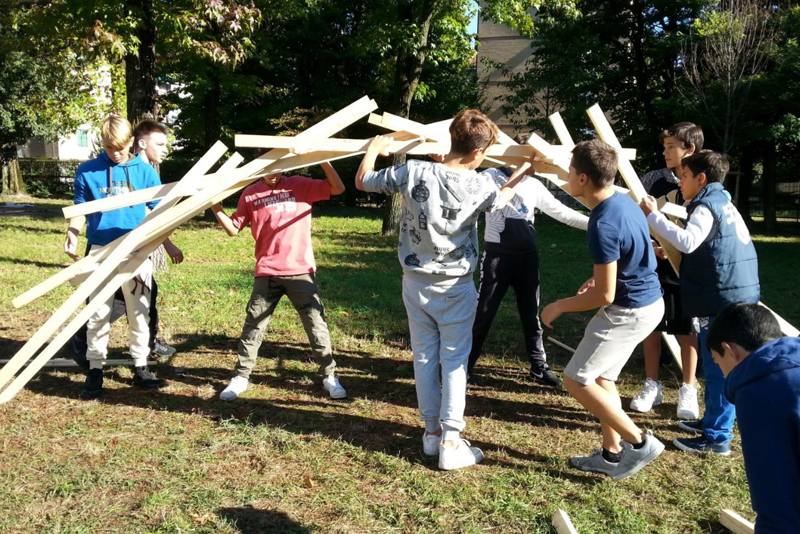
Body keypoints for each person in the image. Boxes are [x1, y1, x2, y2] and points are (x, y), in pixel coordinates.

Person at [356, 110, 530, 470]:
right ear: (478, 153)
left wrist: (375, 148)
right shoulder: (482, 185)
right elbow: (503, 195)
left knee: (423, 357)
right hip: (455, 287)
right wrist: (526, 168)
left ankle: (432, 434)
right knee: (453, 360)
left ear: (451, 139)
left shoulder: (415, 171)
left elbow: (364, 181)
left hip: (415, 282)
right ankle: (452, 439)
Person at [541, 140, 665, 480]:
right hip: (650, 303)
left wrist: (559, 306)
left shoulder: (602, 224)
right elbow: (634, 255)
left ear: (582, 179)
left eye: (569, 171)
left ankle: (639, 444)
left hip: (627, 312)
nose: (566, 176)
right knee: (601, 377)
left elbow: (606, 295)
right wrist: (595, 278)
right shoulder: (623, 202)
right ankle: (611, 456)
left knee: (575, 379)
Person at [640, 150, 760, 455]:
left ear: (701, 178)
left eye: (684, 177)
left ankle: (717, 437)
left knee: (721, 367)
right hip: (734, 291)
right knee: (716, 363)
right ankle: (711, 421)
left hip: (724, 296)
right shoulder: (723, 202)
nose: (680, 183)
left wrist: (654, 217)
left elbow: (689, 241)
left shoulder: (706, 206)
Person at [212, 162, 348, 401]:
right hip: (267, 271)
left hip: (300, 270)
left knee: (315, 324)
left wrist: (324, 160)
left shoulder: (300, 185)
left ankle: (329, 376)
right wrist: (215, 206)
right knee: (254, 324)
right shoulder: (251, 192)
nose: (273, 174)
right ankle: (241, 377)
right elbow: (234, 229)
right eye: (267, 168)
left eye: (277, 167)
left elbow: (337, 188)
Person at [468, 141, 589, 387]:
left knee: (530, 314)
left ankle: (537, 367)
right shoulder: (489, 177)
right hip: (497, 258)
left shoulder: (533, 185)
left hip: (527, 259)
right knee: (483, 312)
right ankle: (464, 366)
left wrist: (597, 221)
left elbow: (562, 212)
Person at [64, 115, 165, 398]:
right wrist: (72, 232)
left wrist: (166, 244)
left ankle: (141, 365)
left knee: (139, 312)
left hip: (136, 251)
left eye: (120, 147)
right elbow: (79, 209)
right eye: (109, 148)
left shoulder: (145, 172)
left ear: (131, 142)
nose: (116, 153)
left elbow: (158, 212)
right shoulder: (88, 171)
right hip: (100, 250)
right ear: (103, 144)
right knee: (98, 312)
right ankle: (95, 368)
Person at [706, 302, 799, 533]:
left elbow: (775, 492)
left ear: (730, 350)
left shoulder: (759, 392)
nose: (722, 372)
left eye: (718, 362)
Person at [631, 122, 703, 419]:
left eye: (671, 146)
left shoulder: (700, 180)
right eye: (664, 146)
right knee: (652, 324)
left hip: (686, 266)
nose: (665, 152)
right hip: (654, 263)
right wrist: (651, 245)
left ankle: (688, 387)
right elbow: (638, 217)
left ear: (690, 149)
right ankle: (652, 384)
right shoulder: (653, 179)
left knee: (687, 327)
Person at [133, 119, 184, 358]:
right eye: (160, 143)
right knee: (125, 300)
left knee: (147, 294)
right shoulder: (135, 171)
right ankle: (81, 341)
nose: (166, 149)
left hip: (141, 244)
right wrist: (169, 243)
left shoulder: (147, 171)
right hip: (129, 246)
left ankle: (150, 341)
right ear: (142, 143)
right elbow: (147, 215)